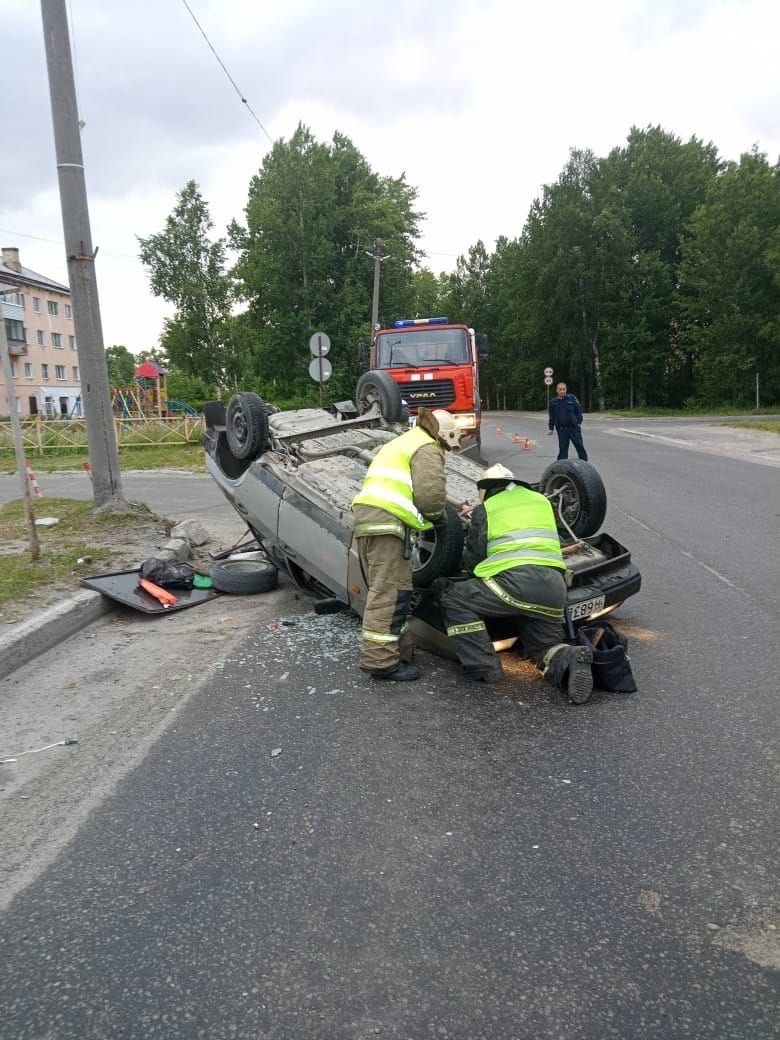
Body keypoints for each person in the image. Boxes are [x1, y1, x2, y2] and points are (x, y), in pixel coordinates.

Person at [437, 463, 594, 703]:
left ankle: (484, 666)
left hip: (513, 585)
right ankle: (569, 657)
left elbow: (475, 558)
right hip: (554, 588)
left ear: (487, 490)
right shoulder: (541, 501)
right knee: (543, 647)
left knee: (454, 598)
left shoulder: (487, 508)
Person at [351, 407, 464, 682]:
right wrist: (439, 519)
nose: (446, 451)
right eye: (448, 446)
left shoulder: (404, 441)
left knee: (395, 591)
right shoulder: (427, 446)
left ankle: (400, 652)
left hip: (371, 521)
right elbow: (429, 496)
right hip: (387, 524)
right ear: (445, 436)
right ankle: (379, 662)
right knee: (389, 594)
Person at [548, 382, 588, 461]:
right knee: (563, 450)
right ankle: (560, 467)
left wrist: (579, 422)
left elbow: (579, 411)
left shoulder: (572, 398)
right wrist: (551, 428)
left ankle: (585, 465)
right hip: (562, 430)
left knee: (579, 446)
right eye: (560, 389)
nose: (562, 391)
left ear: (566, 389)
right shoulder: (553, 402)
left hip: (574, 428)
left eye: (564, 389)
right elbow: (551, 416)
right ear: (557, 390)